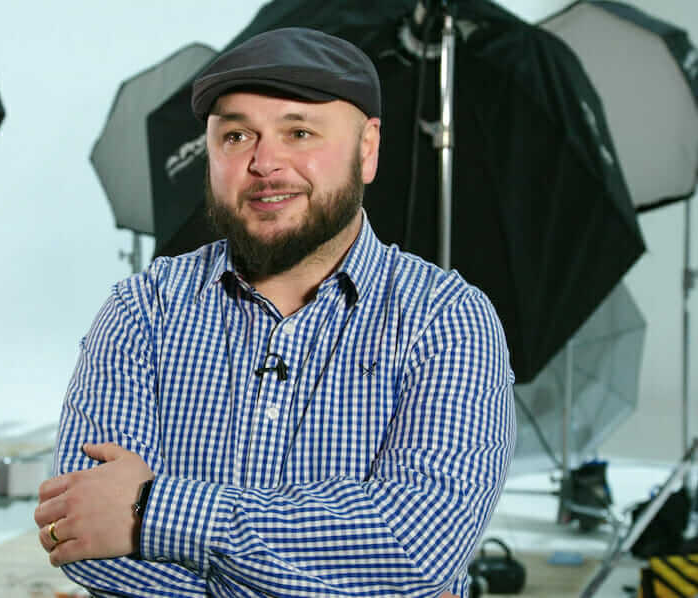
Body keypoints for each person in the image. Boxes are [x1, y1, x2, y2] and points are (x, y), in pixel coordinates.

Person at [34, 27, 515, 597]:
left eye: (300, 132)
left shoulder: (448, 320)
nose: (266, 163)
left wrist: (151, 510)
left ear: (367, 149)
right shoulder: (142, 311)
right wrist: (344, 572)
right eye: (237, 136)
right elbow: (87, 541)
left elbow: (413, 550)